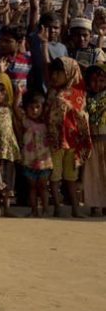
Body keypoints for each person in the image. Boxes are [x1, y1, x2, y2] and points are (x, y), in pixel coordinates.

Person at [46, 57, 92, 218]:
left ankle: (75, 207)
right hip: (55, 142)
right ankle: (57, 206)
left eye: (59, 73)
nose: (54, 76)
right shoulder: (52, 92)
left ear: (70, 73)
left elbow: (83, 117)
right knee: (55, 175)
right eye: (54, 72)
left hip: (73, 142)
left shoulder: (79, 93)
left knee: (71, 177)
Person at [0, 68, 20, 217]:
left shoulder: (9, 108)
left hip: (9, 149)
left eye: (3, 90)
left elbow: (16, 126)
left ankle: (7, 208)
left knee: (9, 180)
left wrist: (18, 93)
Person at [13, 90, 51, 217]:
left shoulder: (47, 122)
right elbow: (15, 108)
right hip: (29, 160)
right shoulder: (25, 121)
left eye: (37, 107)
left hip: (44, 161)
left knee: (43, 187)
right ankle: (34, 210)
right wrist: (18, 94)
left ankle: (45, 210)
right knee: (32, 187)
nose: (34, 110)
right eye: (31, 107)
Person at [85, 64, 106, 216]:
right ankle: (94, 203)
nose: (97, 84)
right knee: (93, 173)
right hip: (91, 140)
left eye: (101, 80)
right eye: (93, 80)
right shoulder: (84, 97)